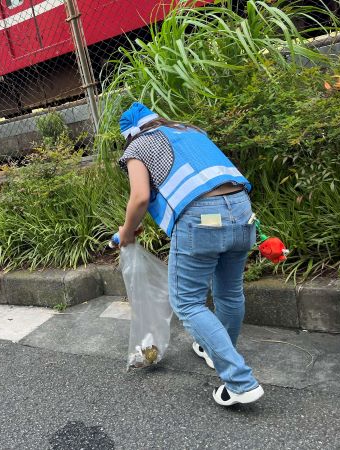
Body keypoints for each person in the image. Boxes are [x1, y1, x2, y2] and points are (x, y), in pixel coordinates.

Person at [117, 102, 263, 406]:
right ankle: (216, 351)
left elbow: (140, 197)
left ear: (129, 134)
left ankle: (240, 382)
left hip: (201, 217)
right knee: (229, 293)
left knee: (187, 302)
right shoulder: (190, 130)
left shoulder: (138, 146)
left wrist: (127, 232)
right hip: (241, 209)